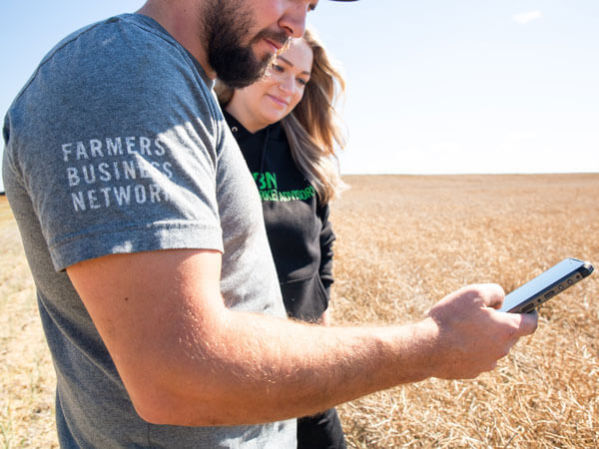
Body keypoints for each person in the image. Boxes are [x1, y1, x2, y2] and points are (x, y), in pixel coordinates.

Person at [1, 0, 538, 448]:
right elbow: (179, 376)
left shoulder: (172, 85)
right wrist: (431, 344)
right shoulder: (120, 76)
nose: (296, 26)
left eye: (309, 5)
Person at [217, 29, 348, 448]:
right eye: (279, 68)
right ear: (245, 63)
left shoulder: (305, 155)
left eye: (303, 79)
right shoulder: (205, 144)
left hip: (307, 367)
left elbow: (322, 245)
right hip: (234, 370)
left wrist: (323, 316)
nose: (290, 88)